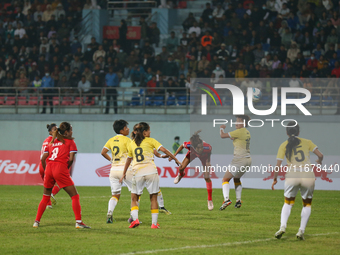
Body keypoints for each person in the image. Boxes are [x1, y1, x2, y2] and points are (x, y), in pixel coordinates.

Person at [119, 122, 181, 229]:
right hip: (151, 172)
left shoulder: (132, 143)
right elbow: (164, 149)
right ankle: (154, 224)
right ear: (144, 132)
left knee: (134, 198)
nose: (150, 132)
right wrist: (175, 158)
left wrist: (124, 173)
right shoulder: (151, 141)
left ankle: (135, 220)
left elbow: (129, 159)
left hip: (137, 172)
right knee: (153, 198)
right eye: (148, 130)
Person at [272, 122, 323, 240]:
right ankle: (301, 231)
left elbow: (278, 165)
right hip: (307, 175)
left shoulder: (283, 145)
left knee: (288, 203)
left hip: (292, 175)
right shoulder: (307, 142)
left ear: (286, 132)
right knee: (307, 204)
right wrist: (319, 161)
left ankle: (282, 227)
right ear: (299, 132)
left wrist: (275, 179)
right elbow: (320, 155)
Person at [33, 122, 90, 229]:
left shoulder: (52, 141)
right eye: (71, 130)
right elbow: (72, 159)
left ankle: (36, 222)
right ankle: (78, 222)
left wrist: (46, 171)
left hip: (49, 168)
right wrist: (65, 168)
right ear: (66, 132)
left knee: (45, 197)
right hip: (60, 168)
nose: (72, 132)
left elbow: (42, 158)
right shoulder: (70, 142)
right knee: (75, 196)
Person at [171, 131, 214, 211]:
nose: (200, 149)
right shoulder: (189, 145)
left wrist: (208, 163)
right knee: (181, 168)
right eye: (199, 148)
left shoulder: (207, 147)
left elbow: (209, 155)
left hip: (204, 156)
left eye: (201, 147)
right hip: (193, 154)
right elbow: (181, 146)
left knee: (207, 177)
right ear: (194, 147)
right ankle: (181, 174)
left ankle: (210, 200)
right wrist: (174, 156)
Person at [219, 115, 251, 210]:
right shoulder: (246, 132)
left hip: (239, 160)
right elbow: (236, 138)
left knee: (225, 180)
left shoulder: (239, 132)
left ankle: (226, 199)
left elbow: (222, 136)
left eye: (238, 121)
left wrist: (221, 129)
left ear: (244, 123)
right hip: (248, 160)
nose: (236, 123)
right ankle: (238, 201)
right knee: (236, 179)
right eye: (236, 121)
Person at [38, 123, 58, 209]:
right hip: (48, 165)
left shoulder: (45, 140)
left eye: (57, 129)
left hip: (41, 165)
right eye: (54, 129)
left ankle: (48, 204)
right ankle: (52, 194)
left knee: (47, 187)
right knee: (61, 182)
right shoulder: (53, 141)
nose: (56, 131)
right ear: (50, 132)